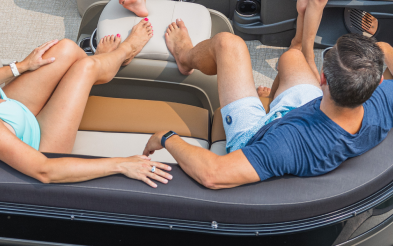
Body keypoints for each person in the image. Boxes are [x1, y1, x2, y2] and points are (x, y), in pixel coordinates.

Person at [0, 24, 173, 188]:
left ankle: (106, 65)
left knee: (65, 49)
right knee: (85, 67)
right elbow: (45, 171)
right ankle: (123, 53)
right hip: (41, 144)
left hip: (8, 112)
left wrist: (22, 66)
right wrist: (120, 164)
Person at [143, 20, 393, 189]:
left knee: (228, 44)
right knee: (292, 57)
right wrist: (377, 54)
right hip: (318, 110)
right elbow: (385, 48)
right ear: (378, 80)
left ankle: (185, 57)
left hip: (259, 134)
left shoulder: (289, 143)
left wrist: (167, 138)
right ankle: (271, 102)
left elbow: (213, 174)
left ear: (323, 79)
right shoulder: (384, 98)